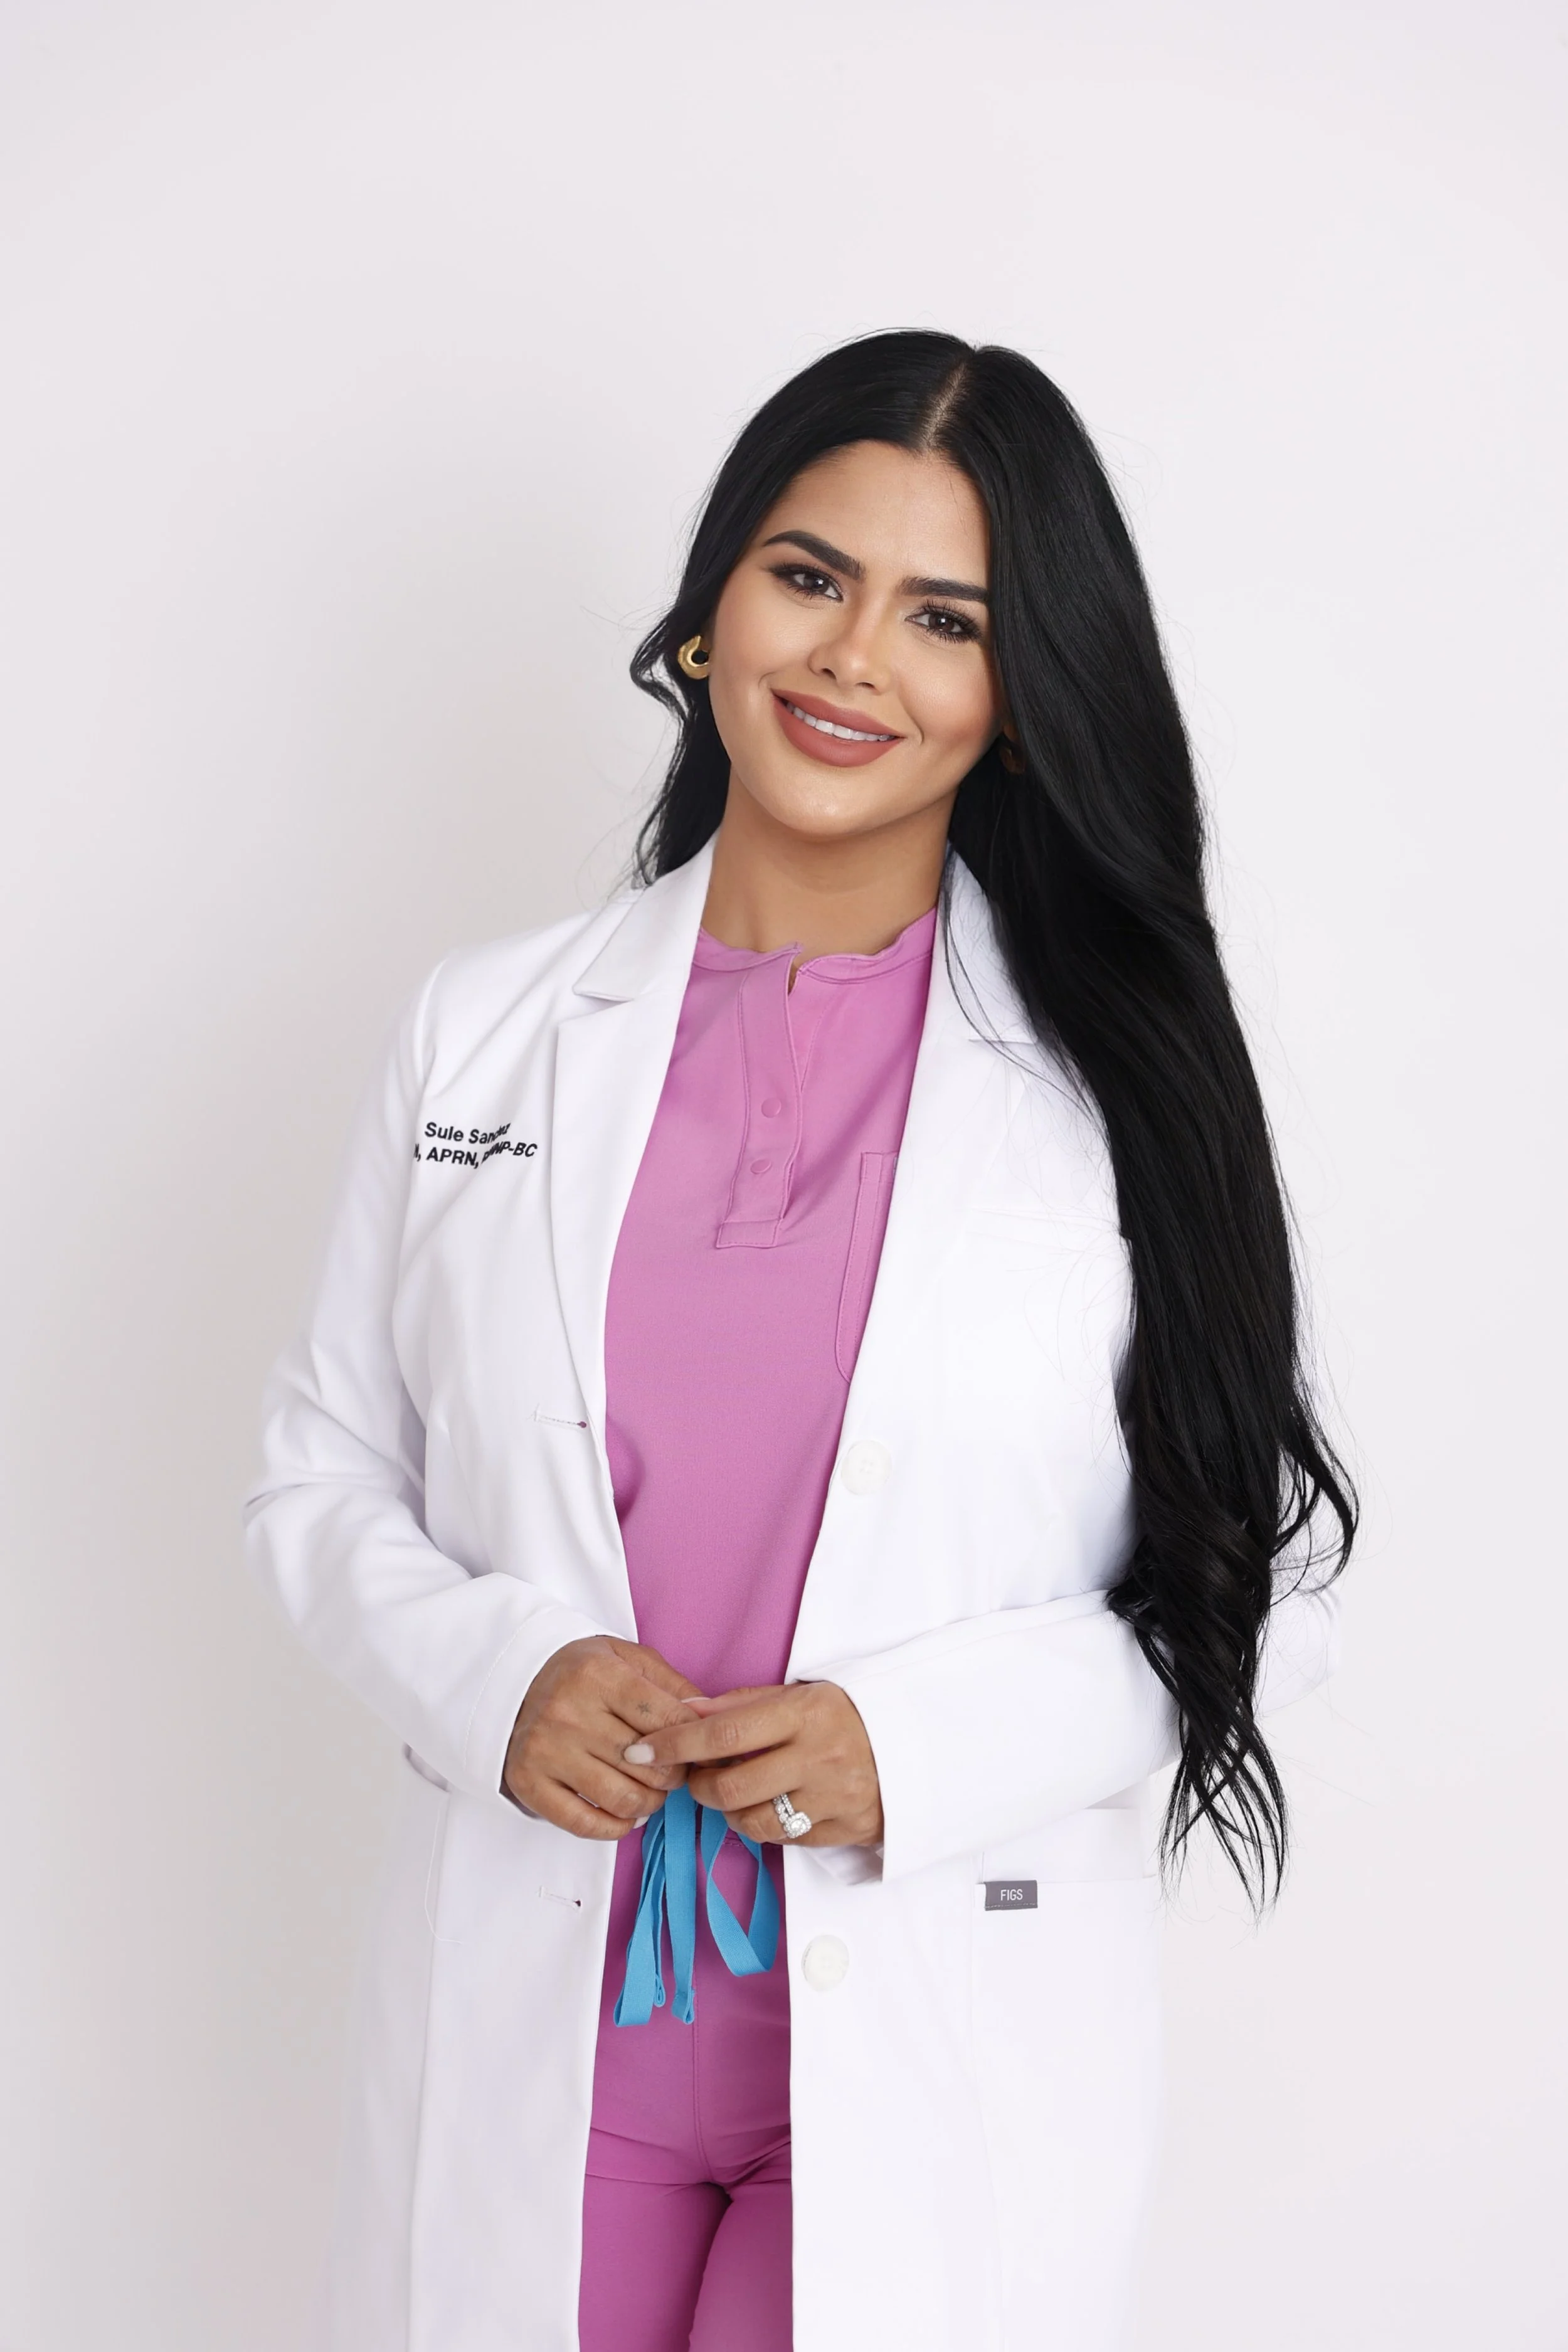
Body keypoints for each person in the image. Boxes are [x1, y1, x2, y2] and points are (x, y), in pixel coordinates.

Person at [245, 330, 1354, 2352]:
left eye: (946, 618)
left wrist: (902, 1747)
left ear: (1019, 697)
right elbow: (322, 1476)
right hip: (544, 2000)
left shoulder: (1128, 1090)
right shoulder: (481, 1032)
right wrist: (500, 1674)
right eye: (810, 575)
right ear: (712, 607)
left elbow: (1263, 1583)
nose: (853, 658)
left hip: (936, 2019)